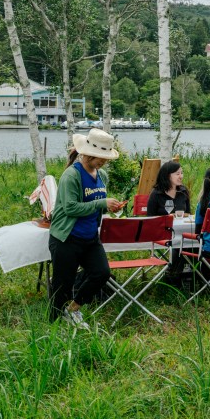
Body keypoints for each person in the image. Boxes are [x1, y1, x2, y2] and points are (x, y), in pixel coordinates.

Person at [48, 129, 126, 328]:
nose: (103, 161)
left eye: (106, 158)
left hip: (90, 237)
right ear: (88, 153)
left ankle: (73, 309)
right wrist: (101, 203)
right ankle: (53, 325)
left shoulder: (102, 175)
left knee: (102, 273)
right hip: (67, 237)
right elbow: (70, 208)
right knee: (62, 285)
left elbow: (96, 203)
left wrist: (110, 206)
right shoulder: (71, 175)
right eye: (100, 157)